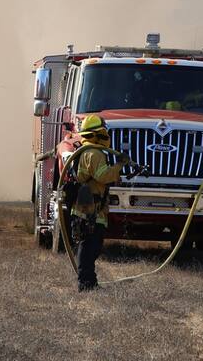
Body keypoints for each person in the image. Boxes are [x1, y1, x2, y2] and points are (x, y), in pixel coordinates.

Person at [69, 115, 130, 291]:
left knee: (91, 247)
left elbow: (98, 177)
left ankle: (89, 281)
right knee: (90, 247)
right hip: (91, 210)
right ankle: (86, 283)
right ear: (99, 133)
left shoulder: (87, 151)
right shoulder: (93, 153)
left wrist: (114, 176)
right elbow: (103, 175)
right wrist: (119, 165)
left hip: (89, 207)